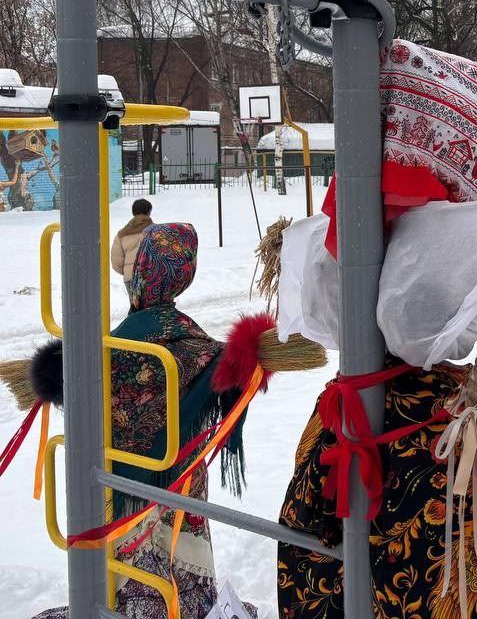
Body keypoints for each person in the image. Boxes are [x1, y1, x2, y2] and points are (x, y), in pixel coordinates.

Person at [25, 224, 284, 619]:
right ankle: (186, 600)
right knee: (179, 536)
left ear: (142, 273)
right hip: (181, 480)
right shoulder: (199, 346)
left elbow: (82, 389)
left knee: (125, 551)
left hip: (117, 483)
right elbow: (235, 378)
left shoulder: (111, 345)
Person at [111, 197, 154, 288]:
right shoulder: (157, 231)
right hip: (153, 276)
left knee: (134, 302)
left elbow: (116, 262)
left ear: (133, 212)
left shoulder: (121, 234)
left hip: (130, 278)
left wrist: (128, 271)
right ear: (149, 212)